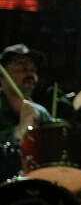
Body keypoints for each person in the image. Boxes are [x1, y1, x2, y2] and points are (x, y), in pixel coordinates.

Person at [0, 43, 52, 180]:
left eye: (33, 69)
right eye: (22, 67)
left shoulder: (42, 112)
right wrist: (22, 128)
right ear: (2, 75)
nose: (30, 73)